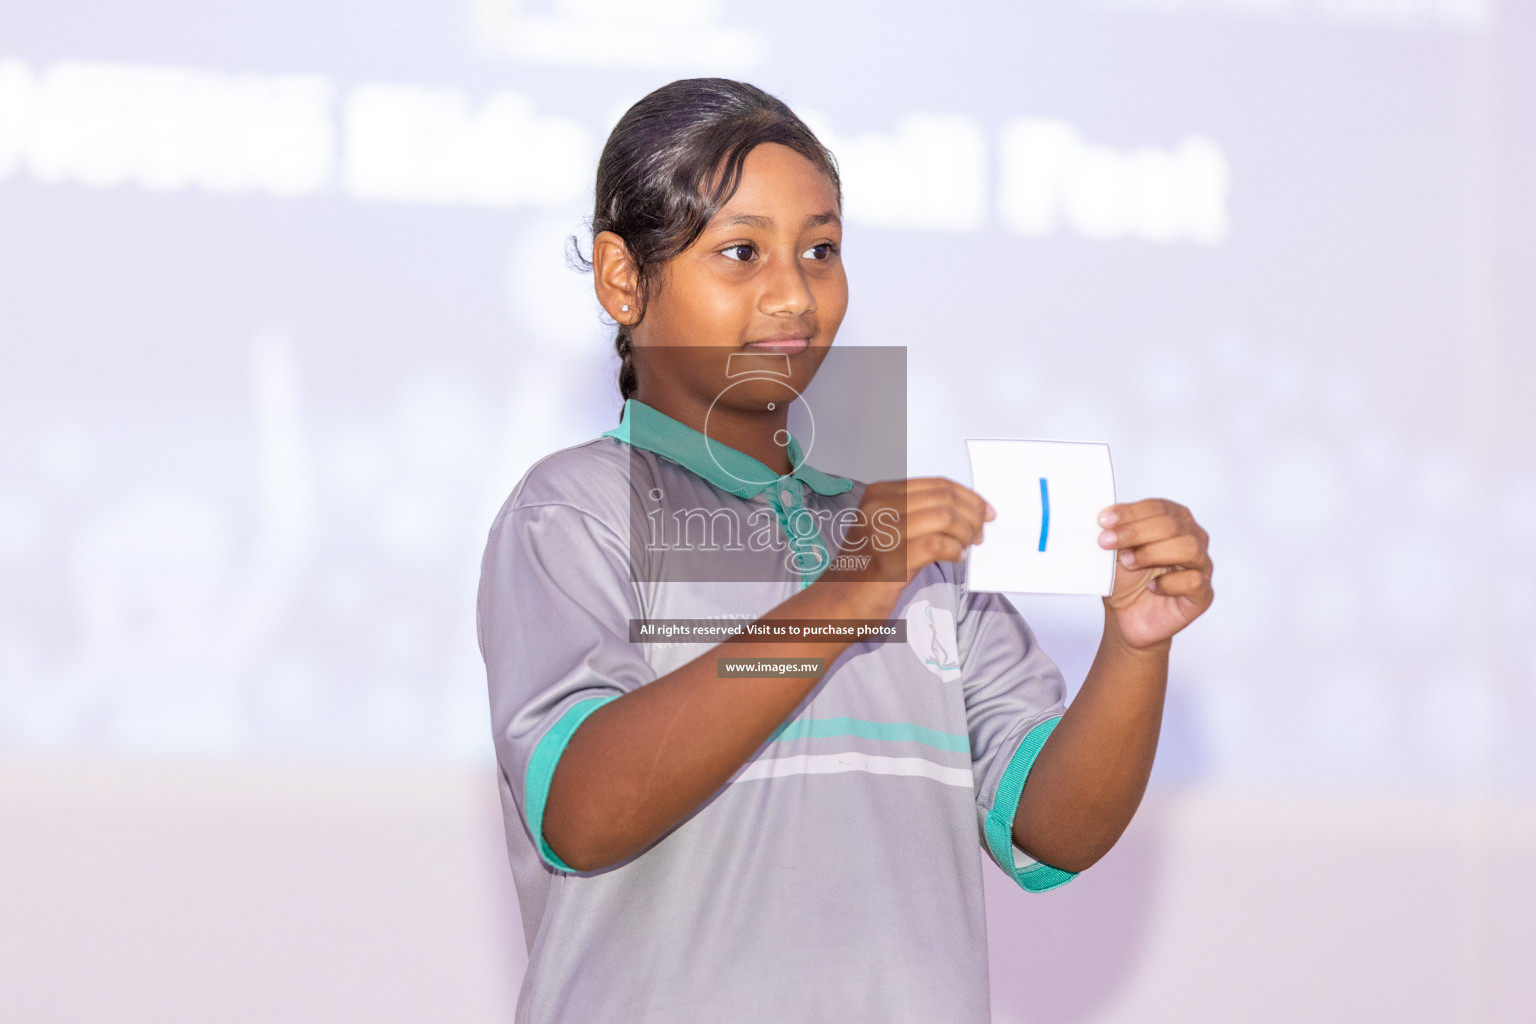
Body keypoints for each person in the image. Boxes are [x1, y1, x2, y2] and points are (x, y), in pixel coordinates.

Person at [478, 78, 1214, 1024]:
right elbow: (582, 811)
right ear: (624, 278)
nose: (793, 292)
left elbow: (1052, 834)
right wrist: (845, 597)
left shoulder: (917, 551)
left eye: (820, 250)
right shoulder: (571, 512)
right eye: (741, 252)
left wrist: (1136, 645)